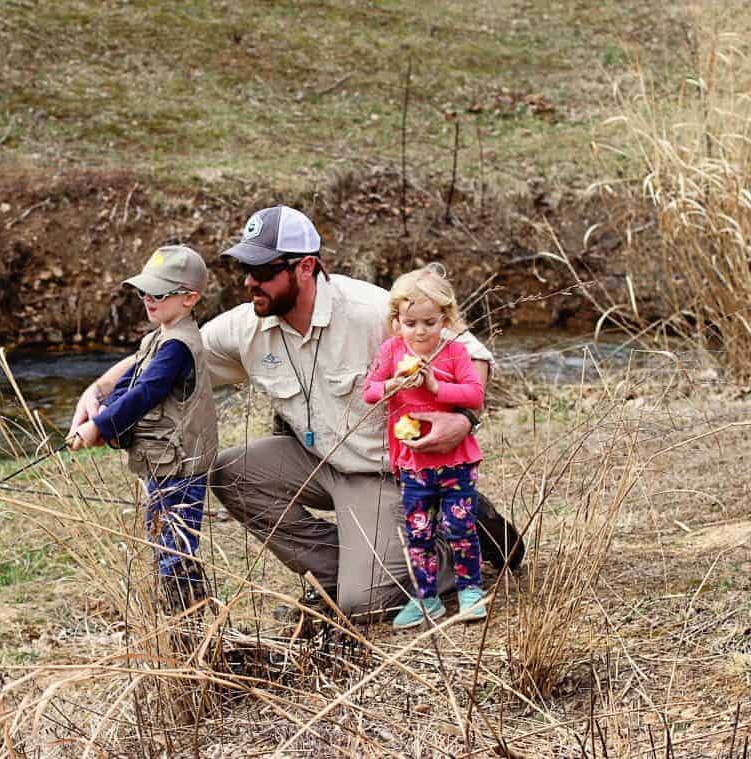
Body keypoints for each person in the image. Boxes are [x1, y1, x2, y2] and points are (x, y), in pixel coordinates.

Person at [72, 206, 515, 617]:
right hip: (315, 461)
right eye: (245, 269)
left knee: (365, 603)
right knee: (228, 472)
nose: (249, 282)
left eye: (263, 271)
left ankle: (453, 542)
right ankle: (356, 566)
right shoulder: (245, 325)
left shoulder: (370, 309)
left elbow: (471, 352)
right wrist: (99, 390)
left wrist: (462, 421)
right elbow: (172, 352)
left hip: (384, 472)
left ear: (304, 267)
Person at [70, 245, 218, 611]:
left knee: (174, 548)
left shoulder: (178, 346)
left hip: (181, 467)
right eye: (144, 292)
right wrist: (103, 414)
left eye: (160, 293)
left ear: (189, 299)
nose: (149, 300)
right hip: (161, 463)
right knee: (164, 540)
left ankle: (184, 624)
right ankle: (192, 617)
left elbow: (146, 391)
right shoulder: (158, 338)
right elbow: (130, 382)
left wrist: (98, 428)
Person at [363, 266, 488, 628]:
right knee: (420, 532)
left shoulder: (454, 353)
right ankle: (425, 597)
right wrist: (393, 385)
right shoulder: (391, 352)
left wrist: (435, 387)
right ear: (397, 321)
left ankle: (470, 591)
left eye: (430, 323)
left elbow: (475, 396)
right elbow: (369, 392)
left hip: (456, 461)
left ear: (445, 319)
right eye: (411, 322)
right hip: (414, 463)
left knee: (459, 525)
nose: (420, 331)